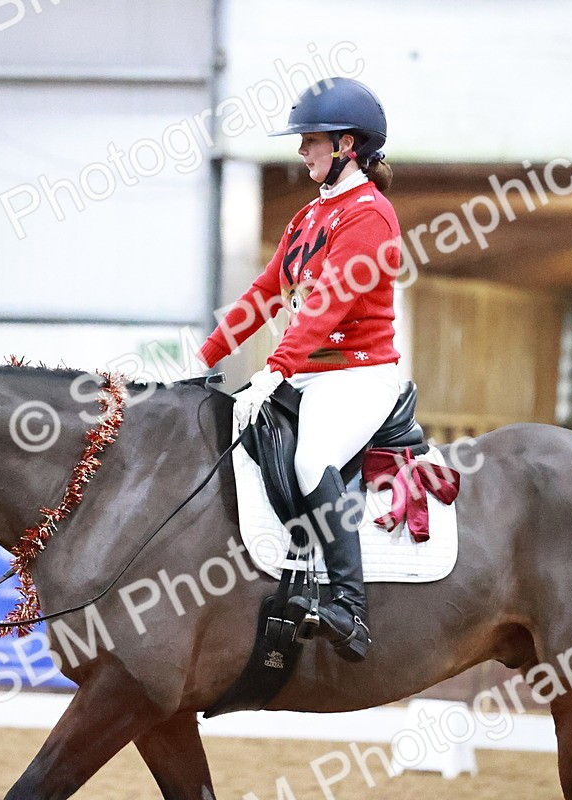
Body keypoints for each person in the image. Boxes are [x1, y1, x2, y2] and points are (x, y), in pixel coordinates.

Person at [198, 77, 403, 662]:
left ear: (346, 146)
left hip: (358, 375)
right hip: (310, 373)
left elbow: (327, 303)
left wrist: (276, 368)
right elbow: (268, 291)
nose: (301, 151)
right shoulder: (310, 216)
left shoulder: (370, 217)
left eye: (311, 141)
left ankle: (350, 606)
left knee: (313, 458)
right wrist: (207, 356)